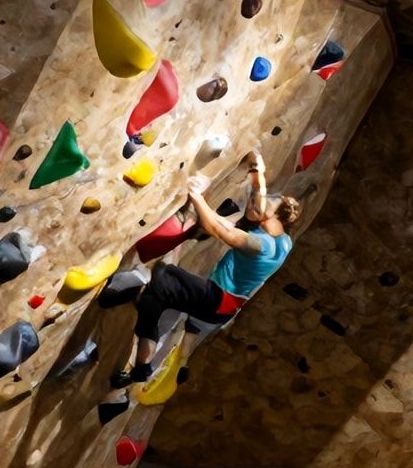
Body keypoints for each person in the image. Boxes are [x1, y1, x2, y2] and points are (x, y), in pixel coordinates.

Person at [114, 151, 298, 386]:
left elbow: (218, 230)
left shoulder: (261, 244)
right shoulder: (285, 242)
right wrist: (256, 171)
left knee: (164, 274)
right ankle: (141, 369)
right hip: (222, 306)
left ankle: (131, 290)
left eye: (266, 207)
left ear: (275, 218)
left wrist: (196, 196)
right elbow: (257, 202)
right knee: (154, 301)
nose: (257, 206)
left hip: (219, 299)